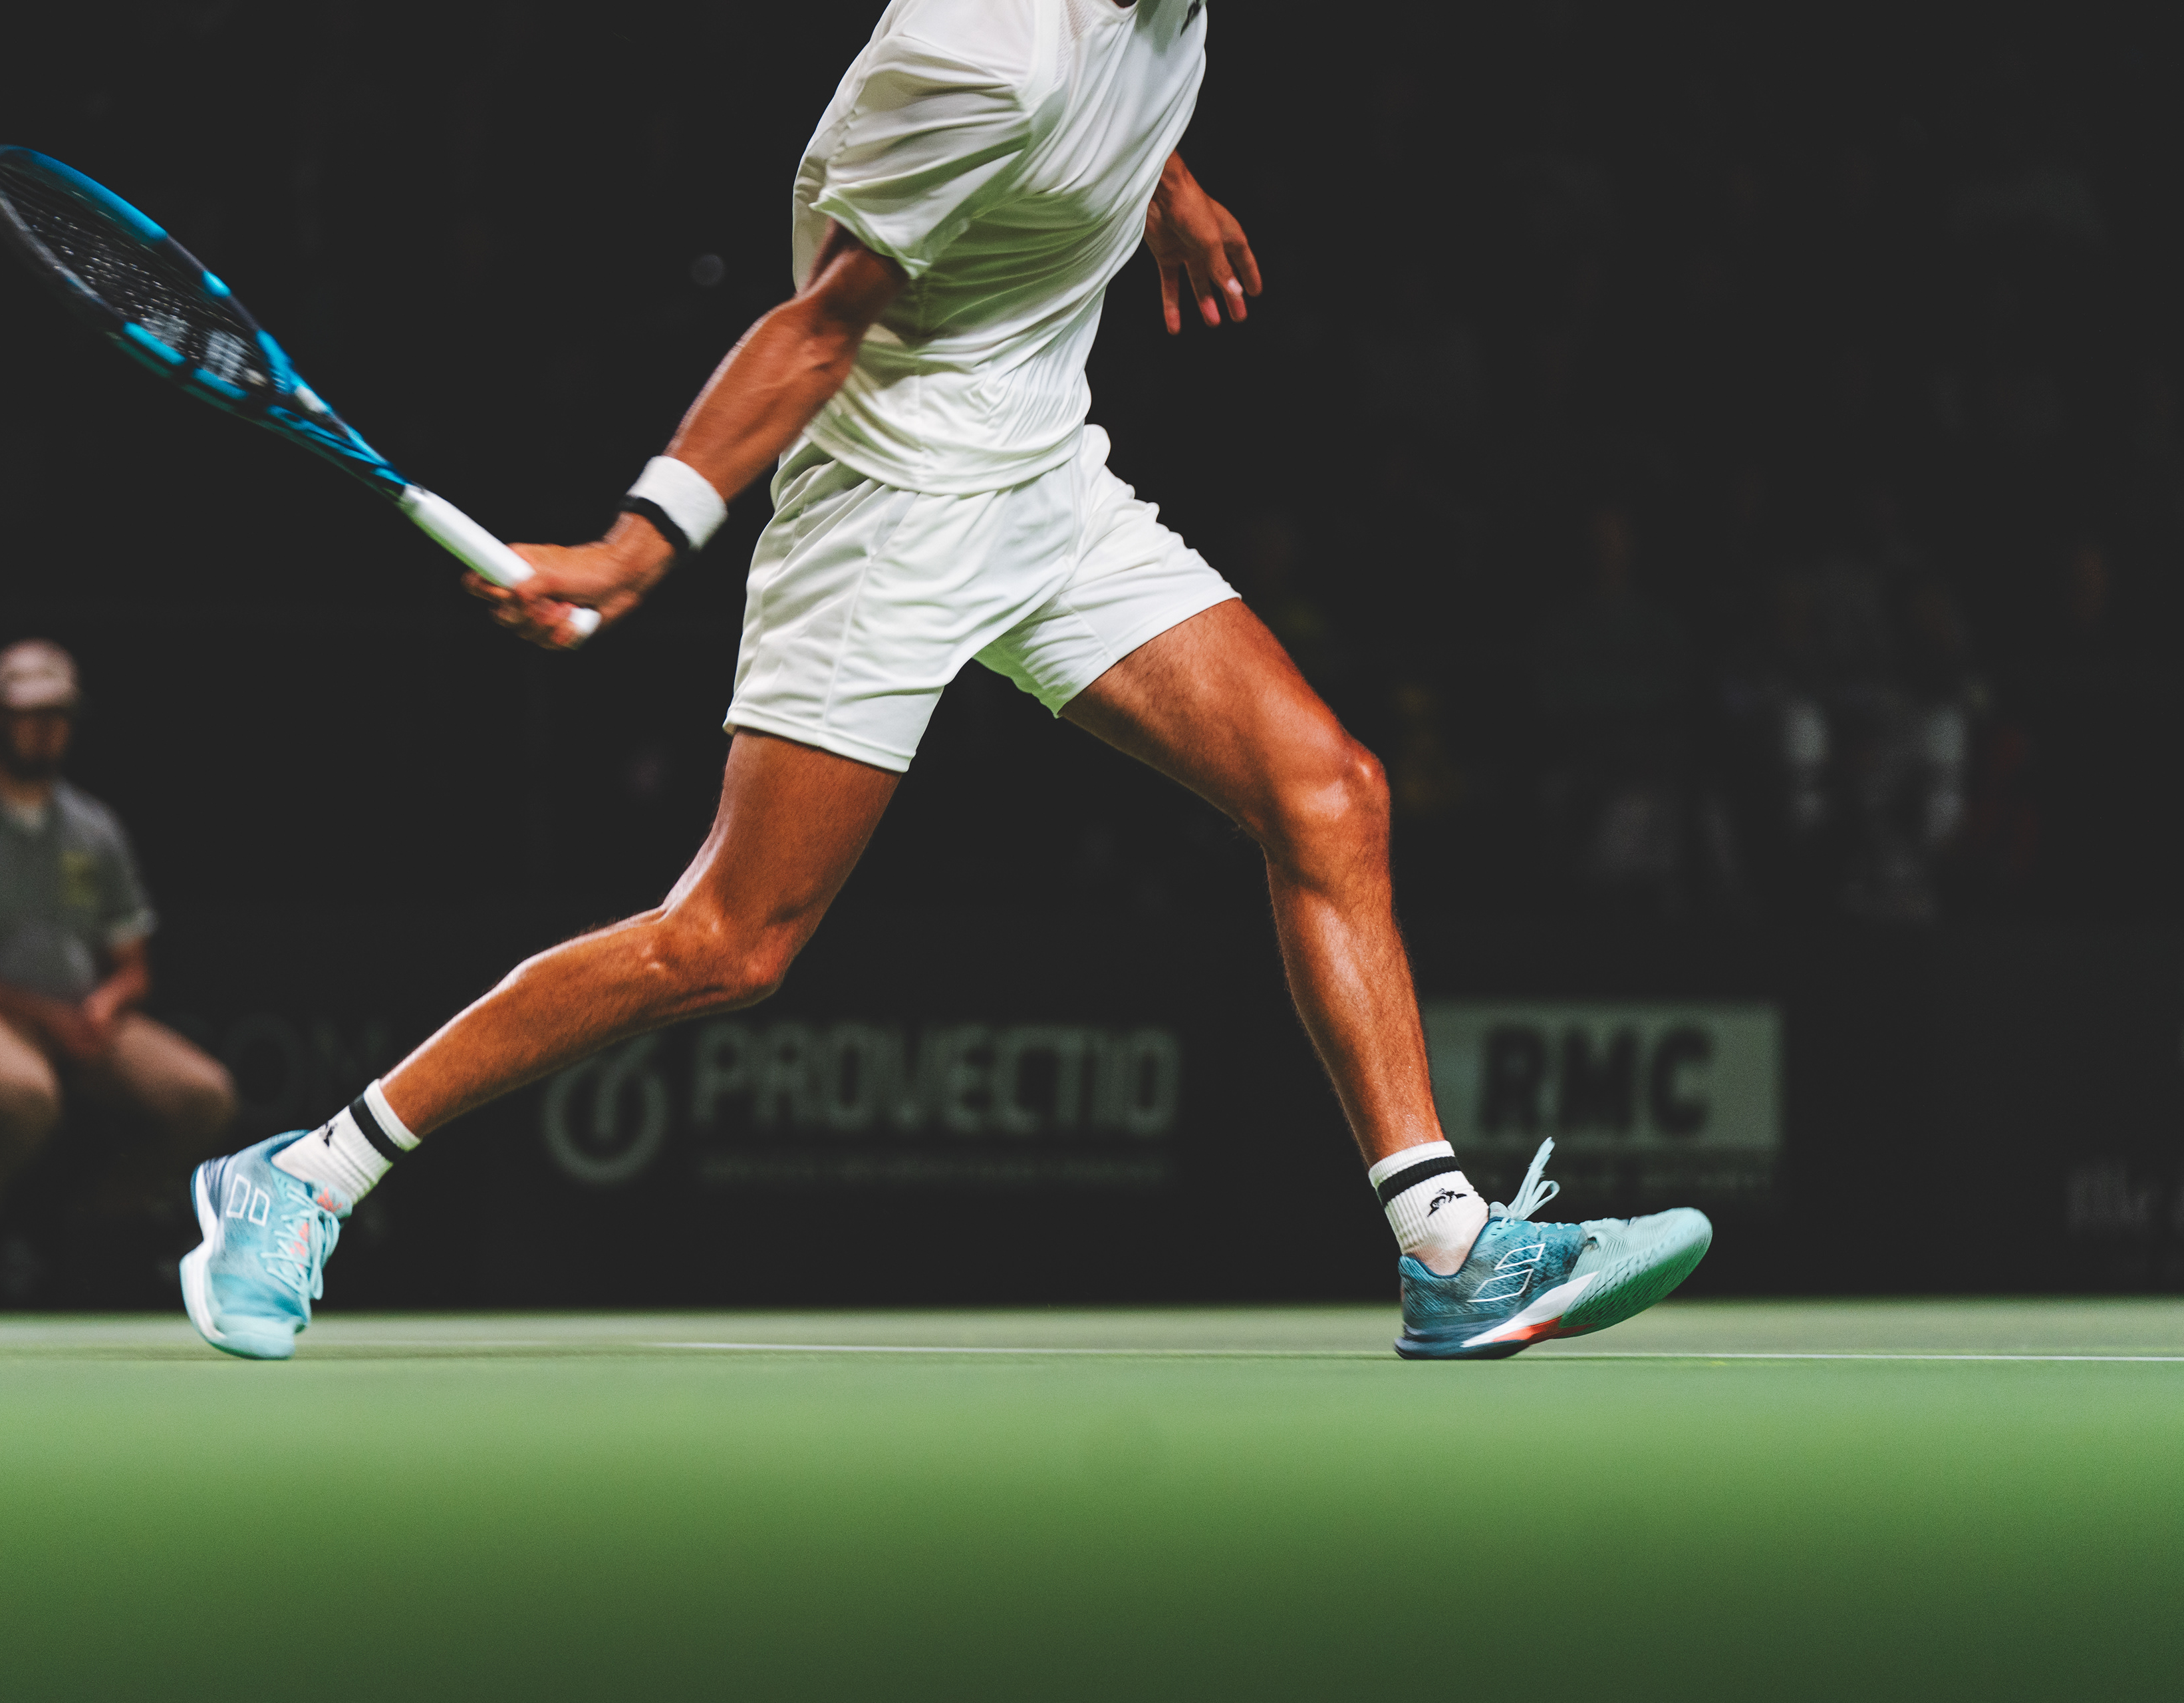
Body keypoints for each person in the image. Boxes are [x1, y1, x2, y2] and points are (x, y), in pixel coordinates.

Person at [180, 0, 1710, 1360]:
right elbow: (817, 326)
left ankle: (1447, 1250)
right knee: (727, 943)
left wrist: (1164, 187)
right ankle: (307, 1170)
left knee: (1328, 791)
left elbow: (1112, 95)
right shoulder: (979, 50)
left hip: (1046, 477)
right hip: (890, 511)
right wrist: (635, 545)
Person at [0, 639, 235, 1307]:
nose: (46, 729)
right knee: (21, 1093)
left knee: (202, 1094)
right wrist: (40, 1013)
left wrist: (105, 1005)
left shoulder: (94, 830)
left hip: (80, 1018)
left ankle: (97, 1227)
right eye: (30, 713)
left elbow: (134, 967)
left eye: (59, 714)